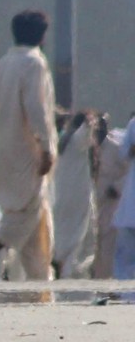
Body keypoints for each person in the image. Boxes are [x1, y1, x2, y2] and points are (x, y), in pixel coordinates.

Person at [0, 10, 58, 282]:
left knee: (36, 225)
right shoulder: (34, 63)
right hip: (26, 154)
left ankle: (36, 289)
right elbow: (36, 108)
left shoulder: (2, 64)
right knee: (26, 210)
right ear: (42, 36)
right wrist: (45, 148)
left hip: (1, 152)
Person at [52, 111, 98, 278]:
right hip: (76, 197)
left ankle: (60, 265)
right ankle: (65, 271)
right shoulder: (74, 140)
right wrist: (89, 122)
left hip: (61, 196)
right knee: (76, 238)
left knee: (64, 235)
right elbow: (84, 133)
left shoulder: (59, 141)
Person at [93, 114, 129, 279]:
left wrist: (116, 187)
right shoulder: (87, 149)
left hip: (111, 206)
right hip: (93, 207)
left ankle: (107, 288)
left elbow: (130, 172)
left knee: (108, 251)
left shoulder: (116, 148)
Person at [111, 114, 135, 279]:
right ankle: (126, 296)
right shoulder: (133, 124)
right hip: (130, 208)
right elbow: (125, 152)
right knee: (125, 257)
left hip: (129, 210)